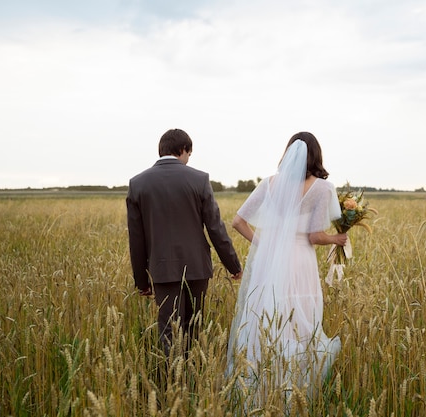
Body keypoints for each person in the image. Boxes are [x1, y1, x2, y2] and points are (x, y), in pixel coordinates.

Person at [227, 132, 347, 405]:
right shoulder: (323, 188)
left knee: (264, 319)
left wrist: (265, 244)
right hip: (299, 262)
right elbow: (314, 236)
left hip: (268, 263)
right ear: (316, 155)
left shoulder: (268, 184)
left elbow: (237, 222)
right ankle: (296, 390)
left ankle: (260, 387)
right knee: (300, 318)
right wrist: (337, 239)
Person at [126, 128, 242, 355]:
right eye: (189, 154)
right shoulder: (199, 179)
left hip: (161, 270)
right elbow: (215, 228)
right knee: (192, 327)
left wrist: (142, 281)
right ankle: (191, 379)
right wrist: (233, 265)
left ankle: (171, 383)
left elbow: (136, 238)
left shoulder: (137, 184)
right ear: (182, 150)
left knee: (168, 330)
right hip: (197, 268)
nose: (188, 160)